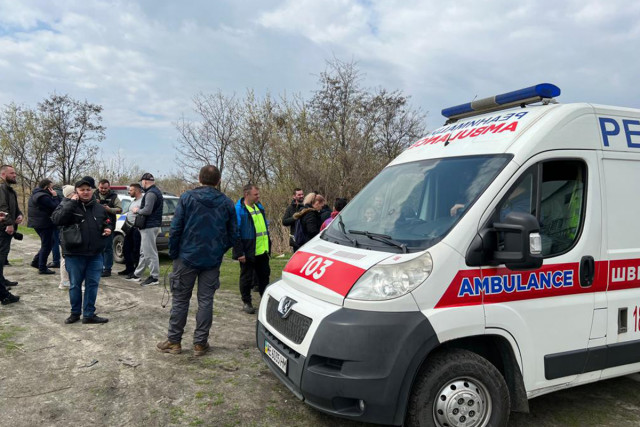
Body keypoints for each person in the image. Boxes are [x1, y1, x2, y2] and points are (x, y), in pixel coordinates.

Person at [157, 165, 238, 356]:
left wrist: (174, 252)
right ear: (218, 181)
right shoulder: (227, 202)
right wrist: (218, 250)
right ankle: (200, 343)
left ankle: (175, 341)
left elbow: (176, 228)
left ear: (199, 179)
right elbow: (233, 234)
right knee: (205, 301)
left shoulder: (187, 198)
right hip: (209, 259)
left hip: (187, 257)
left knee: (180, 300)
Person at [51, 177, 114, 324]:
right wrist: (71, 202)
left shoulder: (98, 207)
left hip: (95, 255)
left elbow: (107, 221)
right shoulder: (67, 204)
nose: (85, 192)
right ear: (76, 192)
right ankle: (75, 313)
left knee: (92, 285)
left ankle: (89, 314)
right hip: (74, 254)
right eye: (82, 190)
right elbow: (57, 220)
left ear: (92, 190)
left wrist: (108, 229)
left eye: (88, 189)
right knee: (75, 285)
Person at [233, 184, 270, 314]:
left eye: (258, 194)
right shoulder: (239, 209)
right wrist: (239, 252)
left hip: (262, 250)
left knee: (264, 277)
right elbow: (235, 232)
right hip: (248, 250)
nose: (258, 196)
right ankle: (246, 302)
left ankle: (265, 301)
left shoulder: (259, 207)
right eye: (255, 194)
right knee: (246, 277)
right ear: (246, 194)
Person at [128, 173, 163, 286]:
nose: (141, 184)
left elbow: (147, 211)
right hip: (151, 225)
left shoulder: (151, 193)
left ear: (145, 181)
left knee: (150, 252)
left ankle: (154, 277)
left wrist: (137, 210)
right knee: (144, 252)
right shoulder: (155, 191)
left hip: (149, 226)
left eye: (142, 181)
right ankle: (137, 274)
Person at [27, 178, 61, 275]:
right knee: (47, 245)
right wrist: (55, 196)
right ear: (46, 187)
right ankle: (42, 267)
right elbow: (56, 206)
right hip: (43, 223)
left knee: (48, 243)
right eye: (51, 187)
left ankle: (36, 261)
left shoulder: (36, 194)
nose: (52, 189)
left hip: (38, 222)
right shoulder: (43, 196)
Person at [0, 165, 23, 301]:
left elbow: (14, 206)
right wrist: (8, 223)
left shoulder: (9, 189)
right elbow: (2, 207)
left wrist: (19, 215)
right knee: (1, 257)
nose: (15, 175)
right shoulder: (2, 189)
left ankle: (2, 281)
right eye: (12, 173)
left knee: (2, 257)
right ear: (3, 174)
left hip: (7, 227)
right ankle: (3, 294)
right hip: (3, 228)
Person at [95, 179, 122, 277]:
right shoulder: (93, 195)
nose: (103, 190)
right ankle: (98, 267)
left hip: (109, 225)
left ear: (109, 187)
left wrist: (109, 209)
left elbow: (120, 210)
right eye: (101, 188)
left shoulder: (114, 197)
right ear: (98, 187)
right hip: (95, 225)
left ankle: (107, 269)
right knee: (97, 248)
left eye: (105, 188)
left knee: (107, 248)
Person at [118, 183, 143, 276]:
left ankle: (135, 271)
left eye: (131, 190)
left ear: (136, 191)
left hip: (136, 229)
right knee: (126, 249)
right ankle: (129, 268)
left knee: (136, 250)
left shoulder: (142, 201)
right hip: (129, 228)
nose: (129, 192)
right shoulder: (134, 200)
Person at [58, 185, 75, 290]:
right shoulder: (66, 204)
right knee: (65, 259)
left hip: (68, 235)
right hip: (67, 236)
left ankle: (66, 281)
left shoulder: (67, 203)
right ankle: (64, 281)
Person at [282, 188, 305, 252]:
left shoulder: (306, 206)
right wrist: (294, 218)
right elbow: (284, 222)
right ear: (294, 196)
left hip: (306, 239)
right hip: (295, 240)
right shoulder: (290, 208)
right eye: (299, 195)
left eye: (302, 194)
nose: (301, 196)